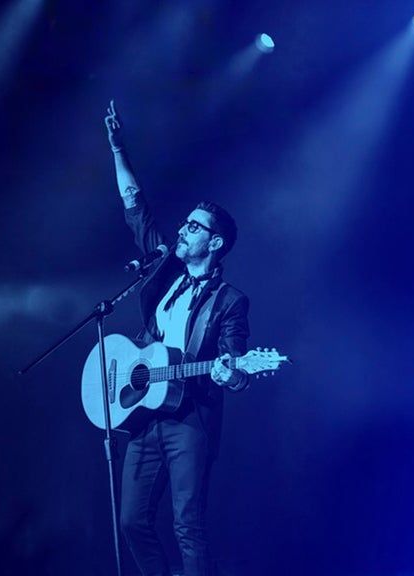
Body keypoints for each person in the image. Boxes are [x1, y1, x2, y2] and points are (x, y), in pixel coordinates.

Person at [104, 100, 251, 576]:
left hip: (190, 420)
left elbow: (236, 360)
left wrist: (232, 373)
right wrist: (118, 149)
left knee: (188, 526)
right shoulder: (165, 269)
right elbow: (136, 209)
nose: (183, 230)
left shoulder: (230, 300)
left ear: (215, 243)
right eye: (185, 224)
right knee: (131, 522)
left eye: (194, 227)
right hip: (145, 414)